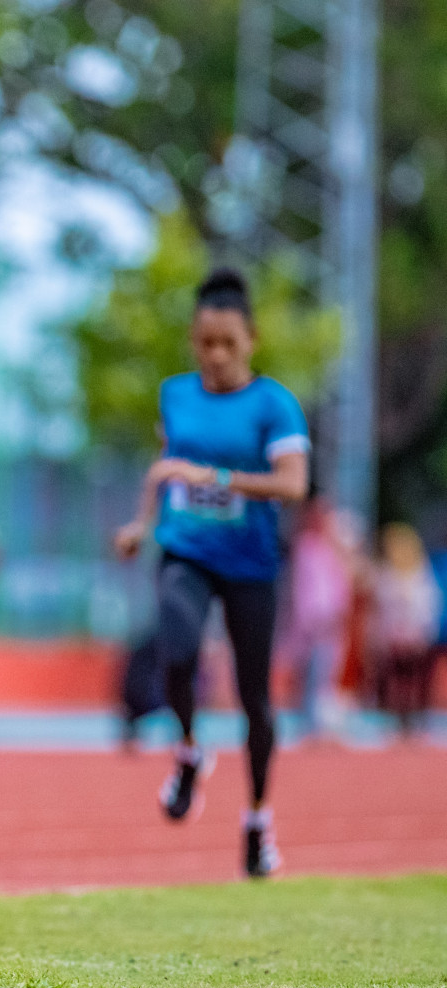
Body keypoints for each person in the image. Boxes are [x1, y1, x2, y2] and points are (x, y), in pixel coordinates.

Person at [114, 267, 309, 880]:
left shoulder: (273, 404)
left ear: (250, 339)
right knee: (176, 645)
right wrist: (142, 524)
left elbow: (294, 485)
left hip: (251, 562)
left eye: (227, 343)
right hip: (186, 550)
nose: (216, 356)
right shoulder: (176, 395)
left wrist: (219, 479)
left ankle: (257, 822)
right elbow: (166, 467)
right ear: (194, 341)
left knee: (256, 699)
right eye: (205, 343)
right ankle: (191, 749)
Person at [287, 496, 356, 740]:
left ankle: (319, 722)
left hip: (332, 619)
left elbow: (342, 583)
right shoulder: (306, 546)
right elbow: (304, 588)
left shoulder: (331, 548)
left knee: (326, 671)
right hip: (312, 621)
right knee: (309, 671)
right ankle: (308, 723)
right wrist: (309, 618)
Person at [369, 522, 441, 736]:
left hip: (413, 639)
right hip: (393, 640)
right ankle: (395, 720)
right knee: (393, 683)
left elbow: (428, 607)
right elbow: (381, 610)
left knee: (415, 682)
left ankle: (415, 720)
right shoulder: (385, 574)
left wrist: (421, 634)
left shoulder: (419, 573)